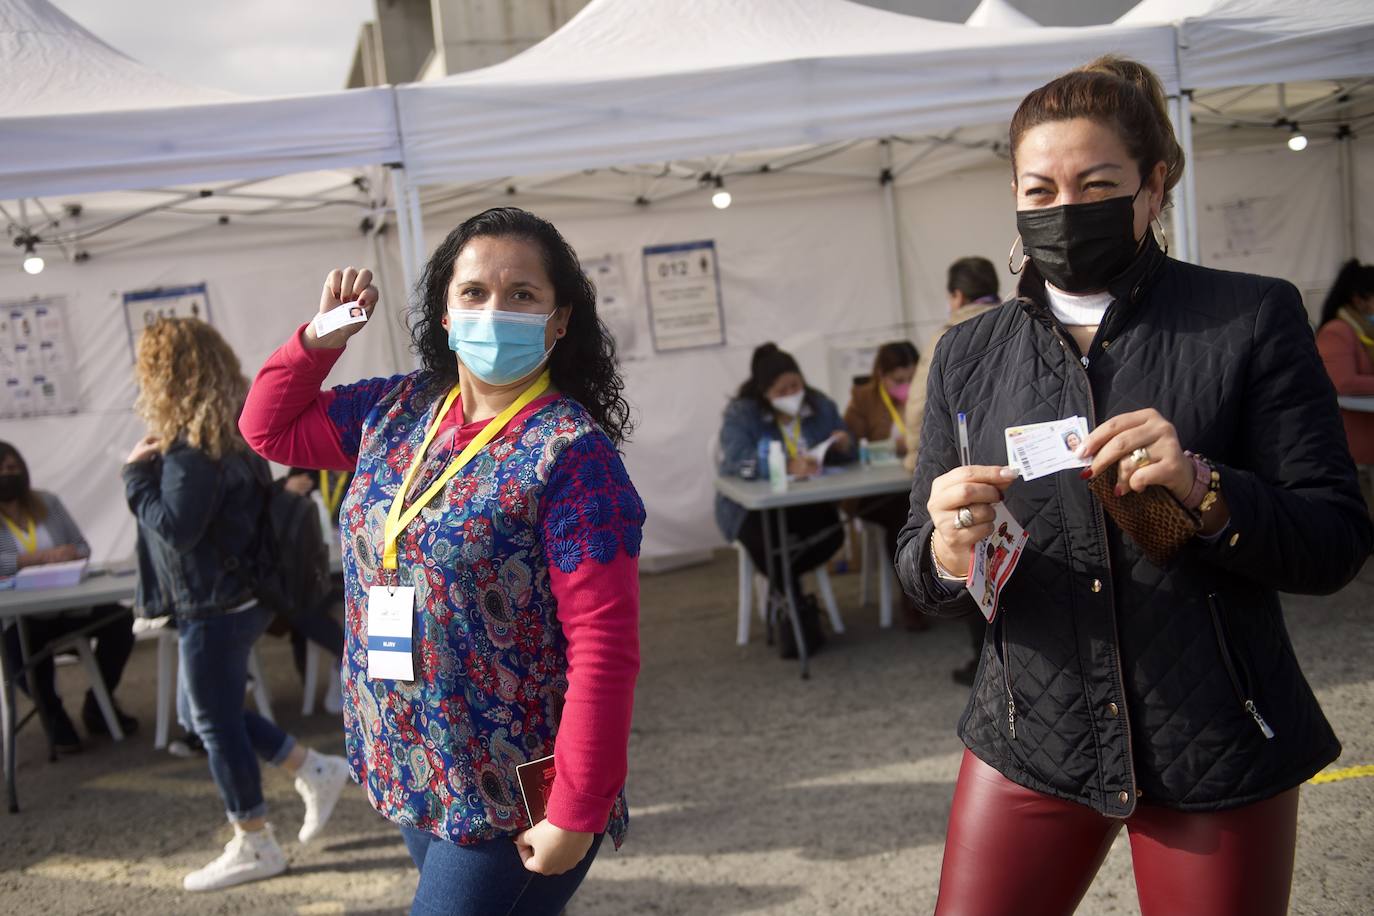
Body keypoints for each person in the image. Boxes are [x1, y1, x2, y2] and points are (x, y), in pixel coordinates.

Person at [896, 56, 1372, 916]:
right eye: (1039, 190)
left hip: (1215, 737)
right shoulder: (969, 354)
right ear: (1012, 196)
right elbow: (919, 569)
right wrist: (944, 546)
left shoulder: (1249, 318)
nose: (1065, 208)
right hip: (1030, 735)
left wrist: (1203, 485)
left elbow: (1335, 538)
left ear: (1153, 189)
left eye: (1096, 182)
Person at [239, 207, 644, 916]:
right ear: (446, 316)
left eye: (523, 294)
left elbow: (604, 648)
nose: (496, 310)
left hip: (517, 788)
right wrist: (322, 335)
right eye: (475, 293)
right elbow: (268, 426)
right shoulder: (399, 410)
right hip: (416, 763)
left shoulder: (572, 456)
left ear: (558, 320)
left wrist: (577, 810)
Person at [124, 318, 351, 892]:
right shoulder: (233, 432)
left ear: (163, 376)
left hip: (213, 605)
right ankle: (313, 768)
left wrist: (135, 479)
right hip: (241, 597)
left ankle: (254, 840)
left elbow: (176, 529)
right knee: (205, 715)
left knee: (214, 724)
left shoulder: (190, 451)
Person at [716, 343, 853, 656]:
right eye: (783, 389)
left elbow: (847, 444)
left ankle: (786, 598)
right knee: (769, 543)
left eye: (797, 385)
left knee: (833, 532)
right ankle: (796, 604)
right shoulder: (743, 413)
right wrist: (783, 465)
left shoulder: (818, 404)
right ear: (765, 392)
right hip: (751, 510)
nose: (793, 393)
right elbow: (736, 461)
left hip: (806, 500)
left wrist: (845, 443)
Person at [904, 256, 1004, 684]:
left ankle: (983, 663)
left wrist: (915, 464)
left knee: (967, 561)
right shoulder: (1023, 324)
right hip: (1020, 473)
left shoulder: (948, 338)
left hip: (963, 477)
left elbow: (918, 410)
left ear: (956, 296)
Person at [1, 441, 137, 753]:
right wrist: (36, 559)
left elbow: (82, 547)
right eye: (2, 470)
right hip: (22, 615)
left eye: (12, 468)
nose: (8, 475)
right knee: (21, 650)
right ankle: (53, 714)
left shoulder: (46, 503)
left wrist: (67, 554)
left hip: (68, 604)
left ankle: (99, 702)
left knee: (119, 621)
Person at [842, 341, 926, 629]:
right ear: (880, 375)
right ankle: (911, 594)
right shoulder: (864, 398)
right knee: (902, 518)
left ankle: (935, 588)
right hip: (875, 495)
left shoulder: (927, 391)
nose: (905, 386)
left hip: (914, 484)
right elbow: (850, 445)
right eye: (897, 380)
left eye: (910, 378)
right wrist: (890, 446)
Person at [1315, 259, 1374, 516]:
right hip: (1356, 439)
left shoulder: (1364, 331)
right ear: (1359, 300)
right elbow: (1342, 381)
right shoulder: (1337, 331)